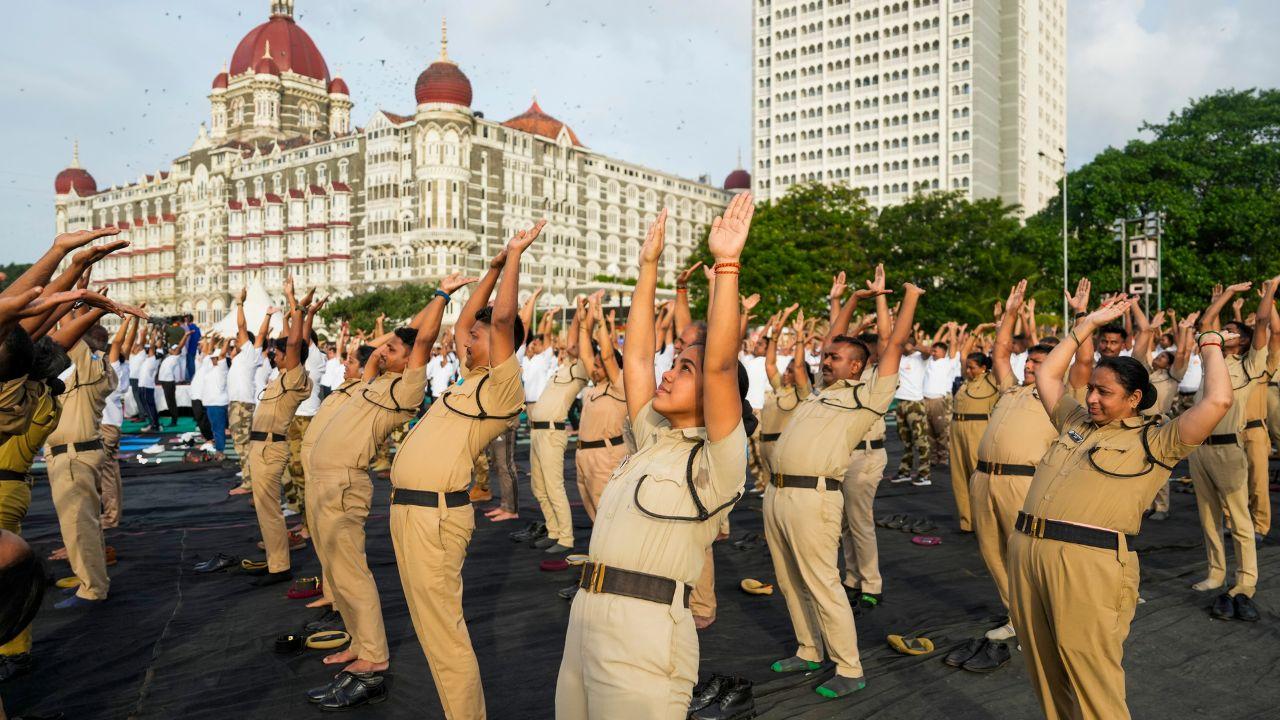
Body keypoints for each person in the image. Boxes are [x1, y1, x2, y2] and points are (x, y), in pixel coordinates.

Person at [556, 198, 751, 719]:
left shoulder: (718, 463)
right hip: (586, 618)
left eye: (684, 369)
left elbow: (721, 365)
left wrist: (727, 267)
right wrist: (648, 268)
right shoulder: (652, 436)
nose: (668, 372)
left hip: (646, 633)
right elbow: (638, 356)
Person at [1009, 294, 1233, 720]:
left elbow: (1217, 402)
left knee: (1091, 674)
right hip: (1027, 551)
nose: (1091, 398)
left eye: (1104, 392)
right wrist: (1086, 323)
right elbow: (1049, 376)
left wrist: (1209, 343)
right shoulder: (1075, 421)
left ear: (1134, 398)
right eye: (1091, 388)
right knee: (1044, 668)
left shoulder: (1158, 440)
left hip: (1088, 563)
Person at [301, 273, 475, 710]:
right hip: (324, 484)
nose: (381, 350)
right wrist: (382, 352)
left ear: (407, 362)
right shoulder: (371, 383)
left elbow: (418, 339)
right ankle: (360, 646)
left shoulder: (404, 390)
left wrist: (440, 296)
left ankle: (373, 660)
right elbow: (402, 339)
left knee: (352, 575)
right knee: (337, 573)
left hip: (344, 486)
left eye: (391, 351)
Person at [389, 220, 540, 720]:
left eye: (475, 336)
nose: (464, 336)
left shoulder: (501, 387)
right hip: (409, 512)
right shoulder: (467, 379)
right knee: (432, 629)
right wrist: (493, 268)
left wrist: (514, 256)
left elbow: (497, 321)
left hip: (436, 517)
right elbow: (469, 319)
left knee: (445, 633)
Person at [765, 263, 920, 700]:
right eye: (826, 356)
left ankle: (849, 668)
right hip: (778, 492)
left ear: (857, 366)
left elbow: (892, 346)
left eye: (834, 358)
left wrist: (906, 297)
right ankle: (809, 649)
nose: (825, 360)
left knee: (822, 583)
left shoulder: (868, 397)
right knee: (789, 578)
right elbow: (834, 335)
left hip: (814, 497)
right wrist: (852, 300)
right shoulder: (820, 390)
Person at [968, 279, 1087, 643]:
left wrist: (1083, 317)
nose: (1031, 366)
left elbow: (1084, 361)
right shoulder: (1012, 389)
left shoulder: (1064, 397)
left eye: (1041, 362)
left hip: (1023, 481)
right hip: (984, 479)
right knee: (993, 554)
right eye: (1031, 360)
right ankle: (1016, 615)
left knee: (1025, 556)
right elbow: (1001, 352)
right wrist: (1009, 312)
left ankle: (1045, 616)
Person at [1187, 279, 1276, 607]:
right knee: (1208, 516)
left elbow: (1264, 322)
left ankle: (1245, 580)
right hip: (1200, 449)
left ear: (1243, 340)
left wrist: (1270, 290)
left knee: (1239, 520)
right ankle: (1216, 571)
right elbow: (1206, 323)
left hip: (1228, 447)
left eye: (1230, 330)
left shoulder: (1249, 365)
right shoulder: (1213, 360)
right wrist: (1226, 294)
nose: (1222, 333)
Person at [244, 279, 320, 587]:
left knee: (269, 508)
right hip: (261, 447)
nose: (274, 354)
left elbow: (293, 344)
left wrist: (293, 301)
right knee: (266, 508)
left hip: (270, 448)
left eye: (280, 352)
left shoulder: (297, 377)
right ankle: (276, 558)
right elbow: (289, 345)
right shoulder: (281, 377)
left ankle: (280, 566)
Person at [527, 301, 588, 554]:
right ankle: (553, 531)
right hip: (537, 430)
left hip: (552, 432)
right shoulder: (562, 367)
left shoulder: (579, 369)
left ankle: (566, 538)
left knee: (554, 486)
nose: (565, 346)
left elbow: (576, 344)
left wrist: (581, 318)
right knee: (538, 487)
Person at [948, 315, 1001, 534]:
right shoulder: (967, 380)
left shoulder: (991, 381)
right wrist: (978, 328)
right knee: (959, 476)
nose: (968, 370)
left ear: (984, 368)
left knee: (977, 478)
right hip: (957, 428)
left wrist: (999, 328)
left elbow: (999, 356)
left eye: (972, 367)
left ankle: (984, 522)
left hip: (977, 429)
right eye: (967, 367)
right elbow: (963, 353)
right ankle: (967, 521)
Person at [227, 291, 270, 496]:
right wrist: (268, 316)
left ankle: (248, 482)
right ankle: (251, 479)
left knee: (242, 444)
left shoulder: (248, 353)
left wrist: (240, 303)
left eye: (239, 338)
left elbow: (243, 328)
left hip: (241, 404)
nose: (236, 338)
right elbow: (261, 335)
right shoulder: (246, 355)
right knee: (244, 444)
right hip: (240, 403)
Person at [96, 316, 136, 530]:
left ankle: (110, 517)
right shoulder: (123, 366)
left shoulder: (113, 368)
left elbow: (120, 343)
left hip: (107, 426)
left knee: (107, 476)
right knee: (111, 473)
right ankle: (112, 514)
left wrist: (128, 318)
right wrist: (134, 321)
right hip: (113, 426)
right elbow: (126, 344)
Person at [891, 333, 929, 485]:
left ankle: (924, 474)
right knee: (905, 442)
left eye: (904, 344)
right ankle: (904, 471)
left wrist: (914, 345)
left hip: (915, 404)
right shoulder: (899, 357)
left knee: (921, 441)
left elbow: (928, 351)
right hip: (901, 402)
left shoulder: (920, 357)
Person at [921, 323, 960, 471]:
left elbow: (954, 344)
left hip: (939, 400)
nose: (934, 352)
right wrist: (942, 328)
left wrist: (952, 330)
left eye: (937, 350)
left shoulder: (949, 362)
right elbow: (933, 343)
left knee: (941, 431)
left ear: (944, 352)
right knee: (928, 431)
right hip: (925, 399)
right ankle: (932, 457)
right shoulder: (929, 361)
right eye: (933, 350)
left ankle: (943, 458)